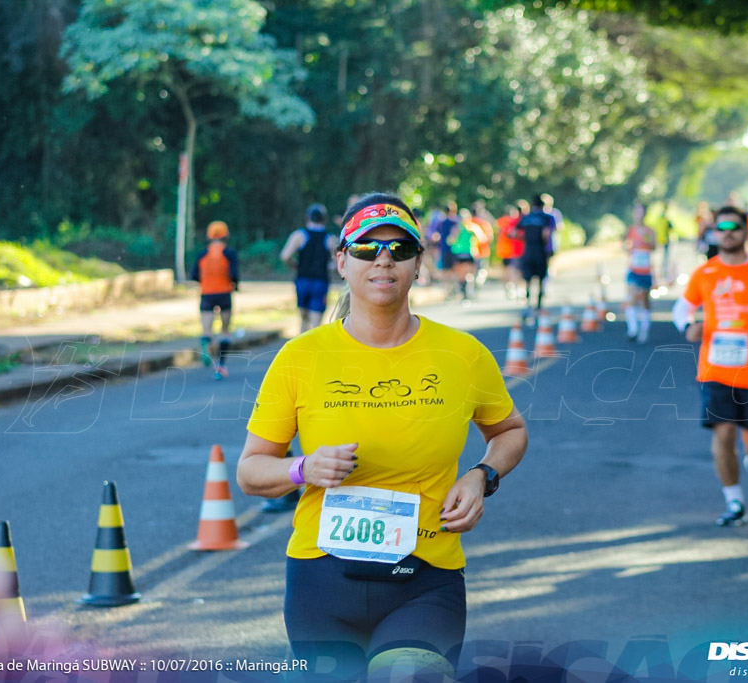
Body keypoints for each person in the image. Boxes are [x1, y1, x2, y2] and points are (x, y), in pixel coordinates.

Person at [236, 192, 528, 679]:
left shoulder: (462, 355)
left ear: (419, 263)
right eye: (367, 249)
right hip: (320, 580)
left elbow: (511, 430)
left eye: (400, 248)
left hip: (426, 581)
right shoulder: (300, 358)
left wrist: (481, 476)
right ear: (343, 261)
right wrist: (303, 468)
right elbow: (250, 471)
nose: (384, 260)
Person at [673, 206, 748, 526]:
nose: (727, 232)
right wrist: (688, 328)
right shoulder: (705, 273)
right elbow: (681, 310)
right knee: (724, 433)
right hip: (715, 370)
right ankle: (734, 502)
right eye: (721, 227)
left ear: (745, 231)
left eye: (734, 227)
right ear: (713, 233)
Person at [191, 220, 239, 380]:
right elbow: (234, 275)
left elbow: (194, 275)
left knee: (207, 329)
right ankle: (221, 366)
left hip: (207, 294)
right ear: (226, 235)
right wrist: (235, 285)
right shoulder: (229, 253)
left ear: (209, 235)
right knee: (225, 331)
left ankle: (206, 342)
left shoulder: (202, 254)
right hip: (224, 293)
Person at [281, 203, 339, 334]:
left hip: (302, 280)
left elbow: (285, 256)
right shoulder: (329, 238)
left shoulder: (299, 235)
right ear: (324, 219)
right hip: (320, 281)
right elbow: (337, 262)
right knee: (316, 322)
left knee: (303, 320)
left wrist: (294, 264)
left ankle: (301, 348)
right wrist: (330, 267)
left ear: (308, 218)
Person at [624, 201, 656, 344]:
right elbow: (624, 245)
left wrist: (645, 243)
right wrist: (629, 248)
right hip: (633, 269)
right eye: (637, 211)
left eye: (642, 212)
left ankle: (644, 328)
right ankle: (633, 329)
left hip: (646, 270)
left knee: (644, 299)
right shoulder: (630, 230)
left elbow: (654, 246)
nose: (639, 215)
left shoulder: (649, 231)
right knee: (631, 297)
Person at [516, 194, 555, 313]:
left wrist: (526, 238)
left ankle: (527, 301)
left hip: (528, 250)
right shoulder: (547, 217)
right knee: (541, 277)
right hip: (541, 251)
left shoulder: (526, 217)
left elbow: (514, 233)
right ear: (543, 205)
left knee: (527, 278)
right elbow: (546, 234)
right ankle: (539, 303)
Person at [495, 204, 524, 299]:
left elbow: (496, 232)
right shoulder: (512, 221)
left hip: (501, 249)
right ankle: (511, 288)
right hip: (511, 250)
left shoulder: (499, 221)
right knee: (512, 270)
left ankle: (506, 288)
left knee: (505, 270)